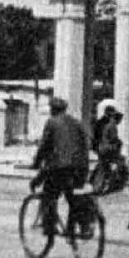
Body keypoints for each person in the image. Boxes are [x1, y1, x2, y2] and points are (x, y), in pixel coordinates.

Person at [30, 97, 91, 237]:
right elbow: (85, 144)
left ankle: (50, 227)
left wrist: (36, 163)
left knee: (49, 194)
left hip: (60, 167)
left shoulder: (51, 122)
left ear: (52, 109)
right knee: (73, 196)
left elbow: (44, 146)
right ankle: (77, 228)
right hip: (80, 166)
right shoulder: (76, 122)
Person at [89, 103, 125, 193]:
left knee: (103, 167)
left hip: (102, 148)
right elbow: (111, 138)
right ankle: (99, 186)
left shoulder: (107, 123)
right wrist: (118, 143)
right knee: (104, 167)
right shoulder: (110, 125)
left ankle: (99, 185)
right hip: (106, 149)